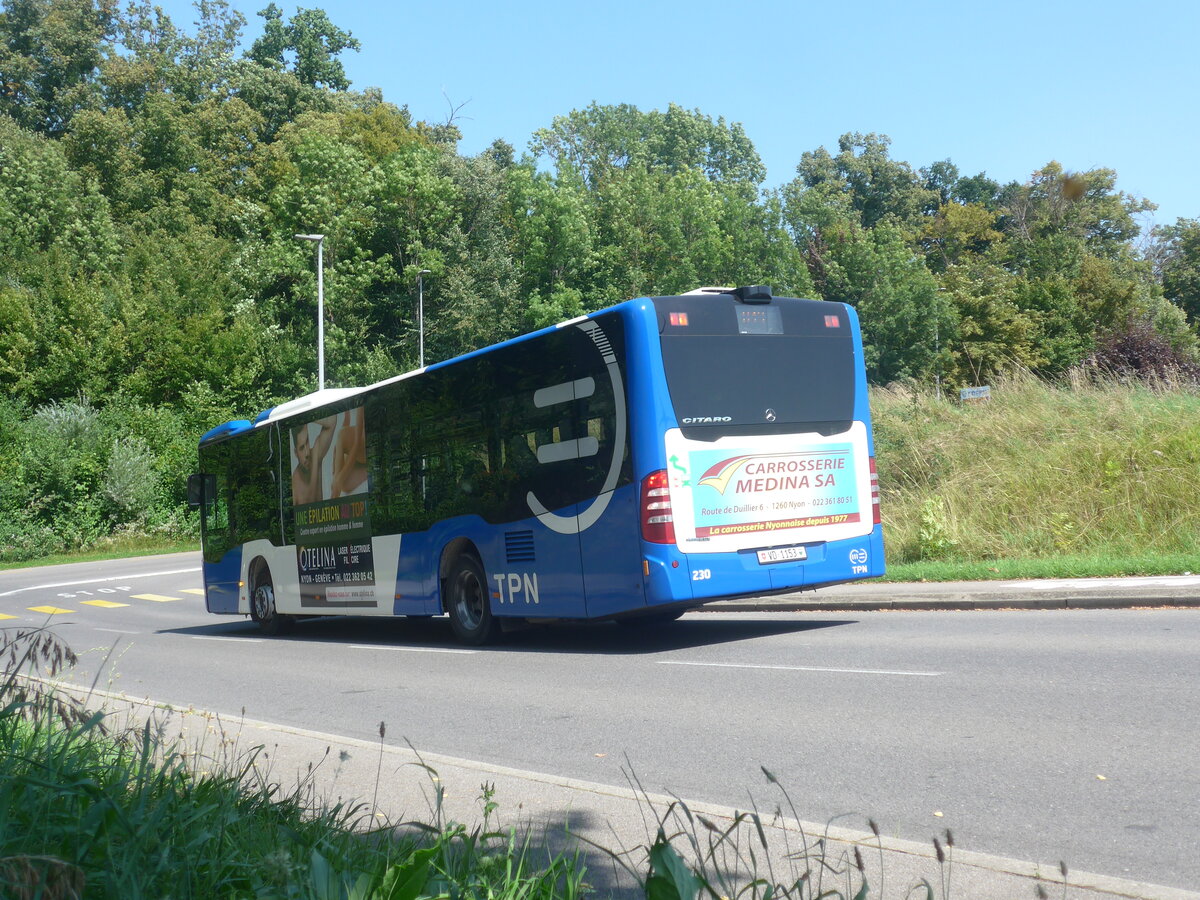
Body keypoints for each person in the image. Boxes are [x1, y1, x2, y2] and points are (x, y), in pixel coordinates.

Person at [291, 416, 336, 504]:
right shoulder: (295, 484)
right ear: (296, 453)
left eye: (307, 442)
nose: (307, 452)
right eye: (301, 448)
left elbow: (332, 421)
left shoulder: (315, 455)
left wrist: (307, 417)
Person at [331, 408, 369, 497]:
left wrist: (340, 477)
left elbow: (356, 443)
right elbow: (346, 420)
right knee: (344, 486)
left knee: (341, 435)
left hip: (366, 444)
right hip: (362, 455)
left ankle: (335, 490)